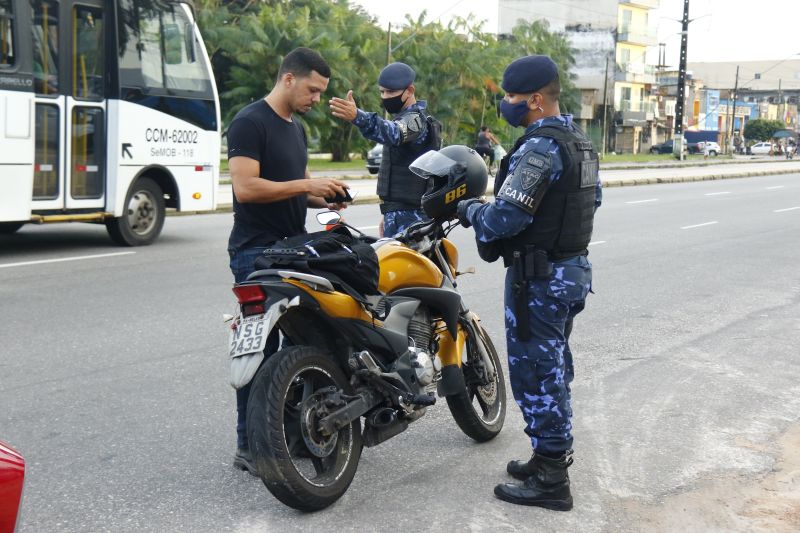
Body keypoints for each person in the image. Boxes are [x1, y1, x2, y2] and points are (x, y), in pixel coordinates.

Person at [456, 55, 602, 511]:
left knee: (538, 372)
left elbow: (506, 215)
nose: (506, 103)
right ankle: (545, 458)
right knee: (552, 364)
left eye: (512, 97)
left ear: (536, 100)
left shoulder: (542, 148)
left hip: (540, 279)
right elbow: (590, 201)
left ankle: (552, 479)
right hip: (569, 271)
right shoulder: (580, 141)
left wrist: (469, 210)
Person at [226, 47, 349, 475]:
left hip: (293, 248)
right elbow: (246, 188)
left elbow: (293, 189)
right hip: (254, 253)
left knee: (306, 345)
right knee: (259, 351)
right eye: (313, 90)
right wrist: (305, 182)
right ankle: (248, 445)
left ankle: (295, 434)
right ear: (290, 79)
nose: (316, 99)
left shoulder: (295, 129)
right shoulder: (249, 121)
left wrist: (324, 194)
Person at [329, 62, 441, 237]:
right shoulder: (404, 118)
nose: (385, 97)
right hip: (398, 213)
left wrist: (359, 117)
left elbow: (394, 133)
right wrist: (389, 214)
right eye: (382, 92)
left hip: (414, 217)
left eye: (391, 92)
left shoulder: (416, 121)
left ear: (410, 91)